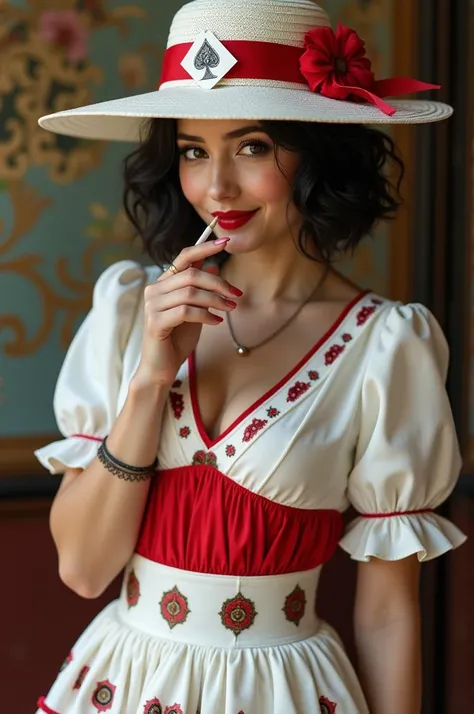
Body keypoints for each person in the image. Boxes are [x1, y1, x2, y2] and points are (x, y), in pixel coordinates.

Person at [34, 1, 466, 712]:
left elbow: (388, 612)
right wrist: (149, 376)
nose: (217, 186)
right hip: (122, 681)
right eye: (194, 151)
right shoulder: (128, 313)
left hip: (284, 691)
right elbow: (83, 570)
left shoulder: (386, 348)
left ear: (318, 156)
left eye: (254, 146)